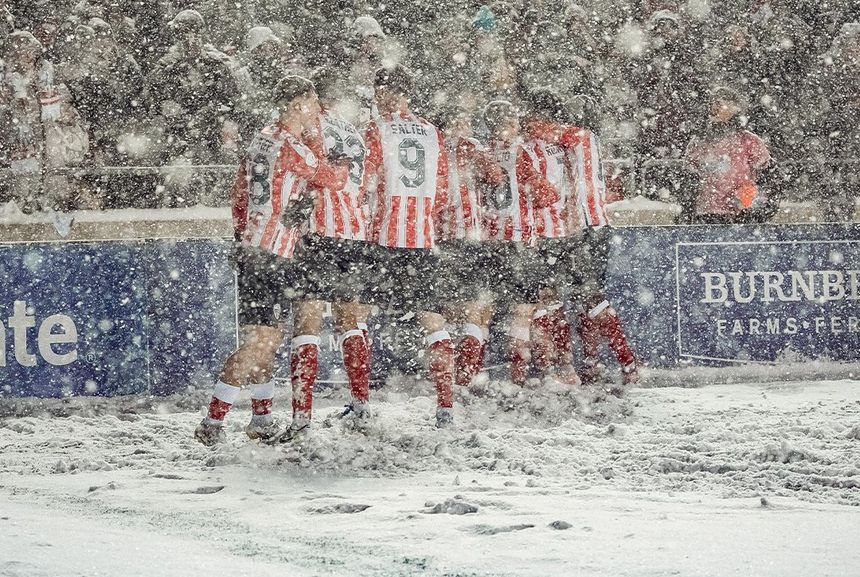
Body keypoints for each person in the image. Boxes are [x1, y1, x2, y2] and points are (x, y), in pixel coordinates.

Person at [194, 75, 349, 446]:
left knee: (266, 337)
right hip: (274, 253)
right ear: (298, 107)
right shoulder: (294, 147)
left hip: (253, 246)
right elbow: (334, 179)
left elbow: (240, 193)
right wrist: (338, 161)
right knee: (260, 344)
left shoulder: (261, 137)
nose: (318, 112)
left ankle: (261, 417)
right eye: (312, 104)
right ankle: (212, 422)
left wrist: (244, 233)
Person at [275, 66, 373, 442]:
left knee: (307, 324)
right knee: (352, 321)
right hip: (355, 231)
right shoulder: (354, 131)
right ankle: (362, 406)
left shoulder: (310, 128)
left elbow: (311, 175)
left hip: (319, 231)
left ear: (317, 98)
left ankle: (302, 419)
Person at [362, 65, 456, 428]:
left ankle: (360, 404)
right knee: (433, 322)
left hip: (384, 238)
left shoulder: (377, 131)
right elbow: (445, 192)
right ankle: (446, 408)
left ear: (384, 95)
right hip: (423, 239)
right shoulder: (433, 132)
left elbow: (366, 183)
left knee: (358, 317)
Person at [558, 95, 639, 392]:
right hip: (585, 226)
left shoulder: (580, 137)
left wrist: (531, 124)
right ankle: (593, 365)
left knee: (591, 298)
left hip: (587, 226)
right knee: (583, 299)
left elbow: (542, 131)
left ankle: (627, 362)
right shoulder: (586, 139)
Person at [476, 100, 559, 387]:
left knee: (483, 314)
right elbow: (547, 195)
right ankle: (518, 379)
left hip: (489, 241)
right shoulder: (519, 153)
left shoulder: (482, 154)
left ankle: (473, 374)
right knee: (522, 314)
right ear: (511, 125)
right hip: (520, 240)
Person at [433, 104, 505, 388]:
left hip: (439, 238)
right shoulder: (469, 145)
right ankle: (465, 376)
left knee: (449, 311)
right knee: (478, 310)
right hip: (468, 236)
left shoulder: (432, 147)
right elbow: (496, 178)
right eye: (463, 121)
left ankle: (454, 374)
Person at [522, 89, 581, 386]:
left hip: (542, 233)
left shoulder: (530, 149)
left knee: (542, 302)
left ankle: (551, 366)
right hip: (560, 232)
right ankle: (562, 365)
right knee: (552, 301)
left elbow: (540, 192)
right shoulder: (567, 145)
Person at [684, 86, 773, 224]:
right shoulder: (698, 143)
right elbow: (688, 179)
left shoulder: (748, 141)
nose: (715, 108)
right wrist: (688, 209)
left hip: (743, 214)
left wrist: (755, 201)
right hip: (707, 214)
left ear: (735, 109)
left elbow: (770, 175)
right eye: (713, 103)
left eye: (721, 103)